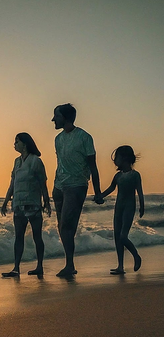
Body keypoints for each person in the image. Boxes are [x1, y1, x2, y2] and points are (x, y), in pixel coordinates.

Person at [51, 103, 103, 277]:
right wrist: (54, 187)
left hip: (77, 185)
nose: (53, 119)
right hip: (59, 186)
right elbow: (61, 164)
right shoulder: (57, 139)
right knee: (62, 227)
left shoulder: (84, 137)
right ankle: (69, 263)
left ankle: (70, 264)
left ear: (65, 117)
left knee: (67, 225)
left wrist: (97, 191)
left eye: (56, 116)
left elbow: (93, 167)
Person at [1, 132, 51, 277]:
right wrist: (6, 201)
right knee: (18, 237)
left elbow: (43, 183)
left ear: (25, 144)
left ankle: (39, 266)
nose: (14, 144)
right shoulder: (16, 162)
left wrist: (46, 202)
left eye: (17, 141)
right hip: (18, 204)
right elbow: (13, 183)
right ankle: (16, 268)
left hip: (33, 204)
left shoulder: (36, 161)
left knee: (37, 236)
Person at [99, 145, 144, 274]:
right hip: (118, 208)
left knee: (123, 236)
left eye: (117, 157)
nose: (115, 160)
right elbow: (111, 189)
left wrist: (142, 206)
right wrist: (99, 196)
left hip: (129, 208)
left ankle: (136, 255)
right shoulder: (118, 176)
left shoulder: (135, 175)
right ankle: (120, 266)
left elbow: (139, 192)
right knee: (117, 237)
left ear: (124, 158)